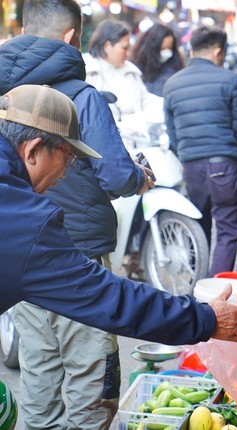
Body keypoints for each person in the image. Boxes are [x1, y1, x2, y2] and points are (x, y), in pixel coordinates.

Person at [0, 82, 237, 391]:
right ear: (33, 150)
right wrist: (205, 319)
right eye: (68, 158)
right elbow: (108, 297)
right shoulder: (24, 220)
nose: (64, 173)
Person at [0, 1, 154, 427]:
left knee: (38, 370)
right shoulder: (80, 96)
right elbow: (117, 174)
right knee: (92, 374)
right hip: (77, 253)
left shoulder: (3, 90)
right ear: (72, 36)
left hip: (20, 260)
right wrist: (141, 177)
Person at [163, 25, 237, 276]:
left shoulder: (172, 84)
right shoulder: (230, 80)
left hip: (191, 167)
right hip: (223, 165)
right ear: (218, 52)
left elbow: (173, 133)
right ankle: (214, 291)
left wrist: (185, 155)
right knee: (230, 229)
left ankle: (194, 283)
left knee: (198, 226)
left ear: (192, 50)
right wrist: (233, 153)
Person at [83, 19, 162, 120]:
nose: (128, 53)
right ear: (107, 46)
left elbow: (146, 101)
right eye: (124, 48)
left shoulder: (131, 72)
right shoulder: (86, 70)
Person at [130, 21, 185, 97]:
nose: (167, 51)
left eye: (170, 48)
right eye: (163, 48)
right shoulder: (136, 68)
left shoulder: (175, 67)